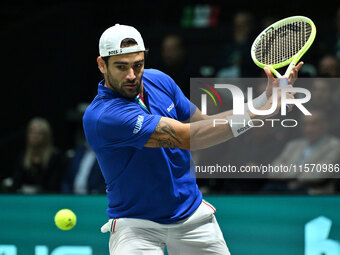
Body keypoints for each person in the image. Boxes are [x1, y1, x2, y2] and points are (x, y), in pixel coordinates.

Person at [83, 24, 302, 255]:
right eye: (121, 67)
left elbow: (204, 122)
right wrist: (263, 111)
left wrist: (263, 100)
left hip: (191, 216)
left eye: (138, 65)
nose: (131, 75)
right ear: (102, 65)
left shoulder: (158, 80)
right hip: (136, 226)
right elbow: (189, 137)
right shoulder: (104, 116)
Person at [264, 109, 340, 195]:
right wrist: (302, 168)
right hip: (283, 192)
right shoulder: (293, 145)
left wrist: (289, 173)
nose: (308, 129)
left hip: (314, 195)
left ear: (324, 125)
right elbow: (273, 172)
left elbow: (318, 176)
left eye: (314, 124)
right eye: (305, 124)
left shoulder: (335, 146)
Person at [7, 117, 66, 194]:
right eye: (32, 132)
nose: (35, 136)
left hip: (47, 198)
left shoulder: (55, 157)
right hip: (23, 198)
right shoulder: (22, 156)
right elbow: (16, 182)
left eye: (39, 133)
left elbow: (55, 185)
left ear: (47, 136)